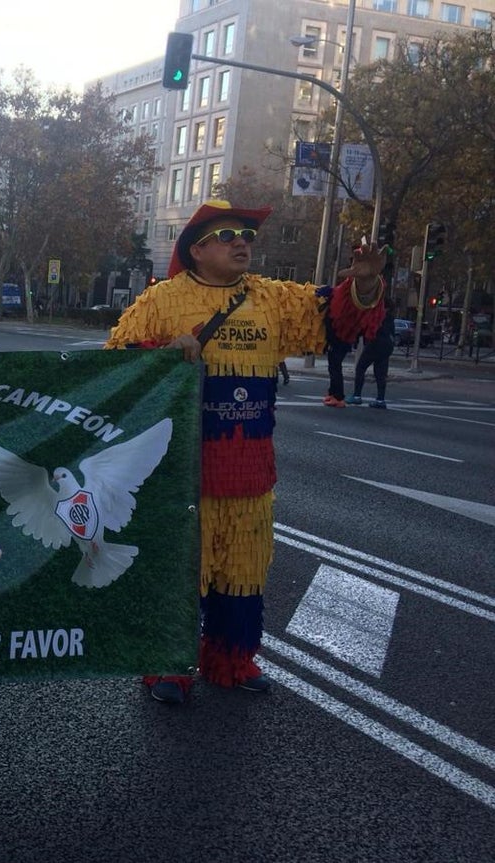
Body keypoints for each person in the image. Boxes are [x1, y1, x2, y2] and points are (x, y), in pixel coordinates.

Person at [104, 200, 385, 705]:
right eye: (228, 235)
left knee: (243, 574)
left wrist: (364, 286)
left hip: (250, 474)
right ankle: (168, 663)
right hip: (182, 472)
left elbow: (336, 321)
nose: (242, 243)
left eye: (247, 236)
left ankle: (231, 660)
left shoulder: (272, 298)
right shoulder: (161, 301)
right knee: (179, 571)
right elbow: (115, 370)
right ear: (196, 250)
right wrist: (161, 355)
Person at [322, 248, 387, 408]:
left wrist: (367, 281)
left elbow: (363, 299)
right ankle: (334, 393)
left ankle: (338, 395)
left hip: (342, 335)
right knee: (335, 364)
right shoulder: (346, 285)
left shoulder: (355, 288)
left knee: (336, 365)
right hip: (338, 333)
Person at [349, 297, 395, 409]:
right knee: (380, 373)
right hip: (387, 346)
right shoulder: (390, 317)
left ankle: (357, 396)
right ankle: (380, 399)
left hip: (375, 343)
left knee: (361, 368)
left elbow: (367, 327)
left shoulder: (377, 315)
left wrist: (356, 338)